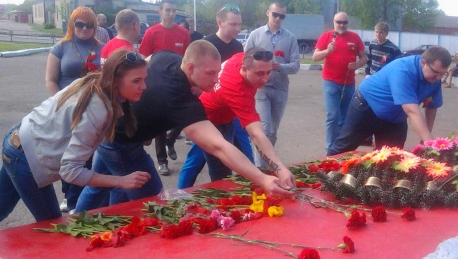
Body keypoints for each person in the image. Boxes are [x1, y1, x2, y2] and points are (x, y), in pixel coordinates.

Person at [75, 41, 294, 213]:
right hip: (122, 143)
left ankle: (72, 224)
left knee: (97, 188)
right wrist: (263, 178)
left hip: (110, 133)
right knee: (152, 203)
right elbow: (219, 146)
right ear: (190, 67)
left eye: (218, 71)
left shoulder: (168, 57)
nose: (216, 79)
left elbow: (149, 59)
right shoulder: (181, 100)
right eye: (210, 73)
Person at [0, 49, 149, 222]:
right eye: (137, 81)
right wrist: (121, 181)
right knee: (53, 226)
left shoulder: (97, 81)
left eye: (144, 79)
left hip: (17, 140)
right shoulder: (99, 108)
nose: (144, 86)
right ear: (115, 81)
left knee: (2, 206)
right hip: (24, 155)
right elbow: (71, 171)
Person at [327, 46, 452, 156]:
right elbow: (412, 111)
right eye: (436, 73)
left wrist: (426, 139)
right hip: (365, 108)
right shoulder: (403, 70)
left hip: (395, 118)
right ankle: (322, 176)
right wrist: (430, 143)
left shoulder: (434, 79)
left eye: (442, 74)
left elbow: (431, 107)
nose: (438, 78)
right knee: (342, 150)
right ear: (423, 62)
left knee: (392, 159)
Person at [196, 47, 296, 184]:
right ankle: (179, 195)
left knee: (198, 159)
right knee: (222, 174)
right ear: (244, 69)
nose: (265, 79)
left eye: (269, 72)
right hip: (209, 121)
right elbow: (257, 135)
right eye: (260, 73)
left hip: (226, 113)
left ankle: (181, 189)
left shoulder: (242, 57)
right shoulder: (238, 92)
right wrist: (280, 169)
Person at [178, 4, 251, 188]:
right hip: (206, 110)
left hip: (229, 109)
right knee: (197, 158)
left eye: (239, 24)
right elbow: (190, 74)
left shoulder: (237, 46)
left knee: (240, 149)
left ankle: (248, 184)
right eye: (233, 24)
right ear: (220, 22)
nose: (237, 29)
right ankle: (180, 192)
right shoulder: (205, 45)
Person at [45, 7, 104, 212]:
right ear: (72, 24)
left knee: (85, 152)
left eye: (90, 25)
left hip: (91, 108)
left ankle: (76, 197)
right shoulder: (61, 47)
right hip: (66, 108)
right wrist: (61, 104)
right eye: (80, 24)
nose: (84, 28)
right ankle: (68, 194)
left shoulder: (100, 48)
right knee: (65, 151)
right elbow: (51, 80)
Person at [244, 2, 300, 167]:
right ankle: (260, 169)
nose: (278, 18)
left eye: (282, 16)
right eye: (275, 14)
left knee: (273, 132)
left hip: (281, 88)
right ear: (268, 13)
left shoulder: (290, 38)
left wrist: (279, 67)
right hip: (261, 89)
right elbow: (245, 59)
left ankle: (266, 163)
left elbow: (295, 66)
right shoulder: (256, 35)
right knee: (265, 130)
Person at [139, 0, 190, 176]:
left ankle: (171, 138)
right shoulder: (151, 33)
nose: (171, 14)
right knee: (159, 121)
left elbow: (187, 59)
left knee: (184, 116)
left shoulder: (183, 33)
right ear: (160, 12)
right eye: (168, 10)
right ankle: (162, 161)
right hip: (157, 82)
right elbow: (143, 57)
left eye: (174, 10)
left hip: (177, 81)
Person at [312, 12, 367, 152]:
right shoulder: (326, 36)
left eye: (344, 22)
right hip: (330, 81)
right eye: (339, 22)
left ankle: (341, 148)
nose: (342, 25)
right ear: (334, 22)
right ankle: (331, 148)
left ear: (348, 23)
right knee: (333, 115)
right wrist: (327, 51)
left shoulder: (354, 37)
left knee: (346, 117)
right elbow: (315, 57)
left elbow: (364, 57)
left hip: (348, 83)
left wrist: (358, 64)